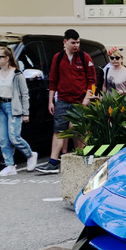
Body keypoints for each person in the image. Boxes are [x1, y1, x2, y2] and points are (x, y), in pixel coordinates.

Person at [36, 29, 96, 174]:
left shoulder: (85, 57)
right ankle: (53, 162)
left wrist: (87, 98)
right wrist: (51, 101)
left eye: (78, 42)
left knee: (78, 130)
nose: (76, 45)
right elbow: (53, 80)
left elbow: (93, 81)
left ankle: (82, 158)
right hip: (62, 100)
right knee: (58, 130)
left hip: (80, 101)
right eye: (73, 42)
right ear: (65, 42)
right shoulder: (58, 58)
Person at [0, 47, 38, 176]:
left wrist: (25, 112)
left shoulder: (17, 74)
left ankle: (31, 154)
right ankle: (9, 165)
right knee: (3, 140)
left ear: (7, 58)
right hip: (1, 108)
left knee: (14, 137)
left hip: (14, 107)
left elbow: (24, 94)